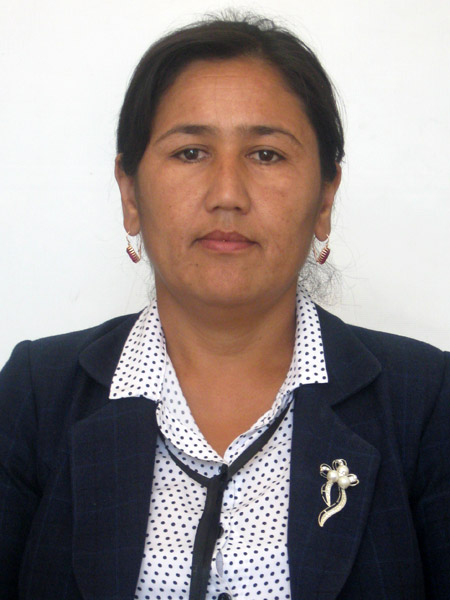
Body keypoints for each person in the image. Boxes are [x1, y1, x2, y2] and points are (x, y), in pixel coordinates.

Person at [0, 14, 449, 600]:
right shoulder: (37, 394)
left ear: (324, 197)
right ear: (130, 193)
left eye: (266, 154)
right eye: (190, 152)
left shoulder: (425, 401)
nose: (228, 195)